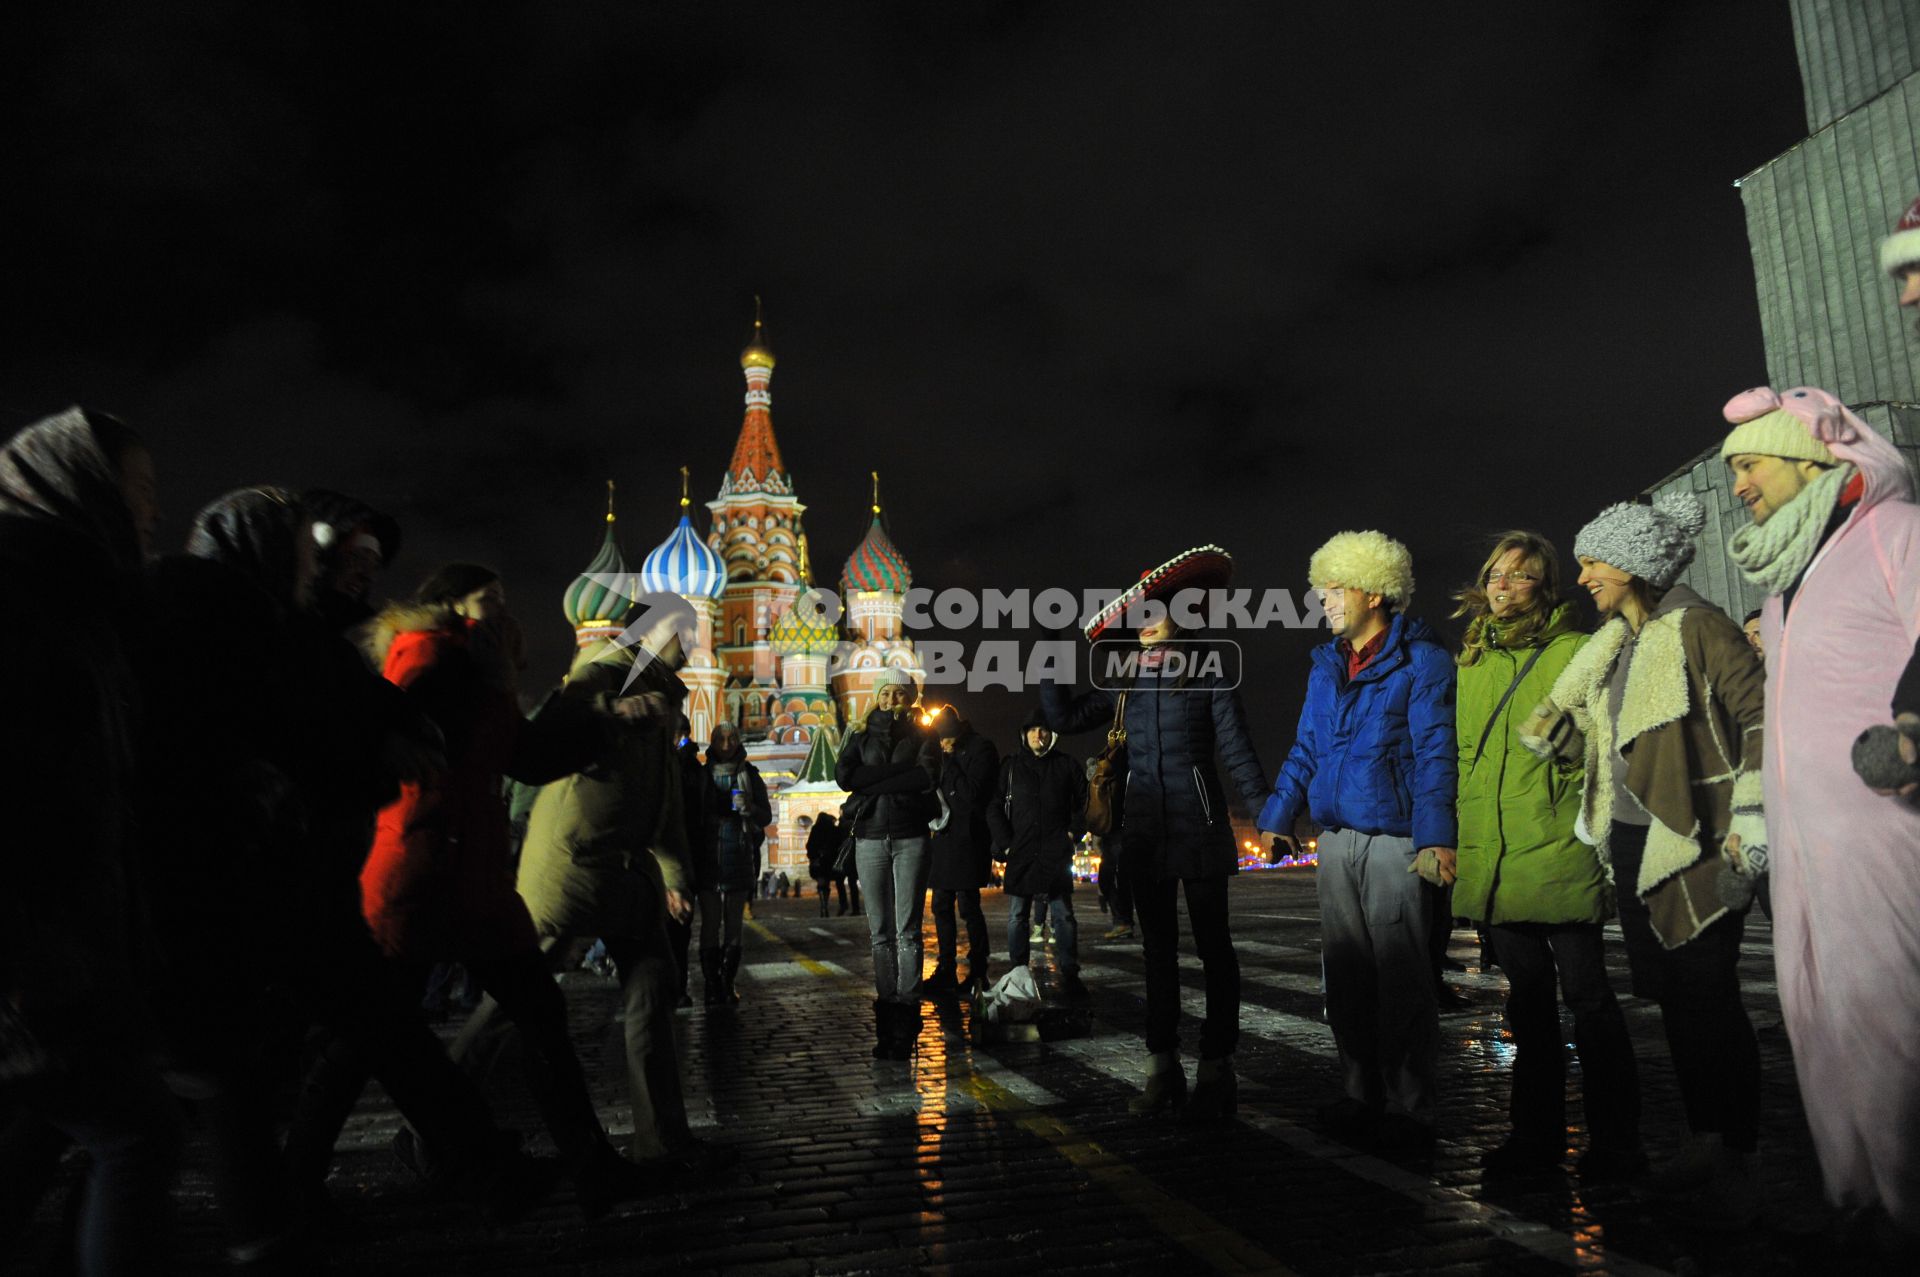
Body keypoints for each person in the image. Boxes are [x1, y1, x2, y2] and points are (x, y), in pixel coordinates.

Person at [288, 563, 655, 1219]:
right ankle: (294, 1183)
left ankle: (588, 1163)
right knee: (365, 1037)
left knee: (540, 1016)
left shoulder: (484, 667)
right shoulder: (426, 654)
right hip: (422, 870)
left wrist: (607, 720)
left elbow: (526, 755)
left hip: (474, 875)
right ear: (449, 604)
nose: (505, 610)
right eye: (492, 598)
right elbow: (382, 726)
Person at [1523, 490, 1766, 1225]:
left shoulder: (1699, 625)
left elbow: (1759, 713)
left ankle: (1738, 1153)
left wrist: (1748, 817)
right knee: (1675, 998)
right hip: (1632, 839)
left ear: (1633, 563)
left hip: (1696, 837)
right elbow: (1612, 737)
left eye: (1594, 561)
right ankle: (1704, 1139)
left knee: (1710, 995)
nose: (1585, 574)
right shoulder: (1621, 643)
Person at [1720, 384, 1920, 1243]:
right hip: (1806, 839)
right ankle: (1858, 1192)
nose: (1738, 485)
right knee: (1816, 1008)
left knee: (1890, 1008)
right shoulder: (1785, 582)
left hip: (1883, 823)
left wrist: (1912, 731)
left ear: (1813, 461)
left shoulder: (1897, 532)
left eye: (1749, 464)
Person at [0, 408, 183, 1276]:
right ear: (79, 486)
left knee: (52, 1126)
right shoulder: (26, 592)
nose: (151, 510)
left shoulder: (76, 594)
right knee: (137, 1133)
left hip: (64, 937)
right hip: (33, 948)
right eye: (136, 490)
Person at [457, 592, 729, 1173]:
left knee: (654, 993)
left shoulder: (664, 696)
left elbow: (665, 800)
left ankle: (662, 1139)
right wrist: (613, 709)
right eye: (688, 631)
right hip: (571, 866)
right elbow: (554, 725)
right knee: (511, 1001)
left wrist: (676, 875)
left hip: (626, 872)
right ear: (659, 631)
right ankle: (431, 1121)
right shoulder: (603, 671)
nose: (696, 645)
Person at [1044, 544, 1269, 1122]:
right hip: (1144, 833)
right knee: (1158, 954)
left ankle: (1217, 1067)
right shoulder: (1125, 685)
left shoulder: (1209, 670)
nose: (1143, 626)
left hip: (1200, 825)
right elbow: (1066, 720)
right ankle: (1161, 1068)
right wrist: (1047, 666)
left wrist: (1267, 813)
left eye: (1153, 614)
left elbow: (1238, 749)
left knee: (1215, 950)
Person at [1449, 531, 1642, 1179]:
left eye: (1520, 575)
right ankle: (1535, 1137)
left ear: (1545, 585)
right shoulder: (1471, 662)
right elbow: (1462, 758)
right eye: (1496, 573)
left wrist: (1559, 744)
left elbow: (1605, 742)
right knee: (1526, 1005)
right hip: (1496, 854)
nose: (1503, 584)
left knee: (1588, 998)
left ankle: (1617, 1143)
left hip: (1559, 846)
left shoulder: (1574, 651)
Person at [1259, 530, 1456, 1150]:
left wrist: (1436, 838)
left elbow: (1435, 753)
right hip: (1337, 839)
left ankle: (1410, 1107)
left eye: (1332, 589)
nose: (1322, 600)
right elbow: (1306, 747)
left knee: (1401, 977)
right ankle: (1359, 1093)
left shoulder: (1423, 661)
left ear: (1373, 592)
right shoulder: (1326, 666)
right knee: (1344, 974)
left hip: (1395, 840)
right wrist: (1277, 813)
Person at [835, 668, 938, 1060]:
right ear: (876, 697)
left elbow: (925, 777)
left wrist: (871, 781)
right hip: (871, 838)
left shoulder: (923, 734)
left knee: (908, 930)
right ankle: (887, 1012)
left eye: (899, 694)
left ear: (909, 698)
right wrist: (899, 774)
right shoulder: (859, 735)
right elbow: (844, 776)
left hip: (911, 836)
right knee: (879, 932)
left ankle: (908, 1011)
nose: (891, 700)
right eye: (885, 694)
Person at [987, 709, 1090, 1002]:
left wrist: (1072, 835)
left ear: (1052, 734)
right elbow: (994, 806)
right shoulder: (1010, 766)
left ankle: (1070, 970)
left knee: (1063, 915)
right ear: (1024, 734)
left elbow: (1085, 803)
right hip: (1021, 850)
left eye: (1043, 730)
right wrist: (1006, 843)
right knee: (1017, 915)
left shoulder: (1066, 765)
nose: (1038, 735)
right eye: (1032, 730)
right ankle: (1018, 969)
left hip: (1055, 851)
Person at [923, 704, 1000, 997]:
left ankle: (978, 971)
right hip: (943, 838)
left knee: (969, 905)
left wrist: (951, 762)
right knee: (940, 905)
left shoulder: (981, 748)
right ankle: (945, 970)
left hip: (969, 839)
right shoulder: (940, 752)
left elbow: (973, 794)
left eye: (944, 740)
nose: (941, 745)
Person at [697, 722, 772, 1005]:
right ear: (712, 742)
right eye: (720, 739)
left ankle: (727, 983)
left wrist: (749, 809)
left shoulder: (750, 775)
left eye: (731, 739)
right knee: (710, 923)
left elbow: (765, 817)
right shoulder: (701, 775)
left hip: (739, 855)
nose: (726, 745)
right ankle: (711, 984)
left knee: (733, 924)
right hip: (707, 857)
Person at [806, 812, 842, 917]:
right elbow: (839, 844)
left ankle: (823, 907)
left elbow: (810, 845)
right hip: (831, 861)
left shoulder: (816, 829)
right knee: (829, 884)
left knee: (822, 884)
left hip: (819, 861)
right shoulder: (833, 830)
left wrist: (813, 857)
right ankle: (830, 906)